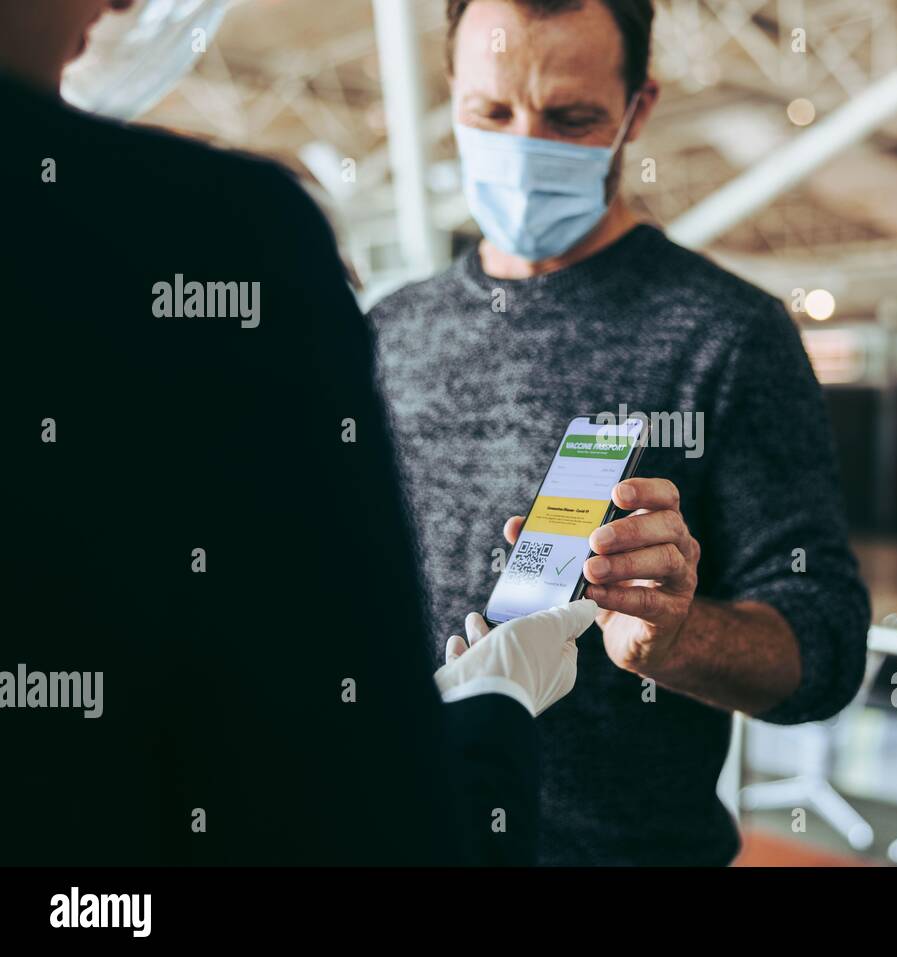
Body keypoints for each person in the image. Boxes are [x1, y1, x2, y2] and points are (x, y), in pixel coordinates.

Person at [1, 0, 592, 865]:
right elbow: (357, 827)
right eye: (491, 112)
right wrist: (492, 713)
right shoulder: (213, 236)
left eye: (571, 116)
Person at [370, 0, 871, 866]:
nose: (524, 146)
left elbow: (822, 645)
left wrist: (674, 637)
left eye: (569, 119)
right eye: (492, 112)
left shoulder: (726, 334)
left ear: (637, 110)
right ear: (451, 90)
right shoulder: (386, 332)